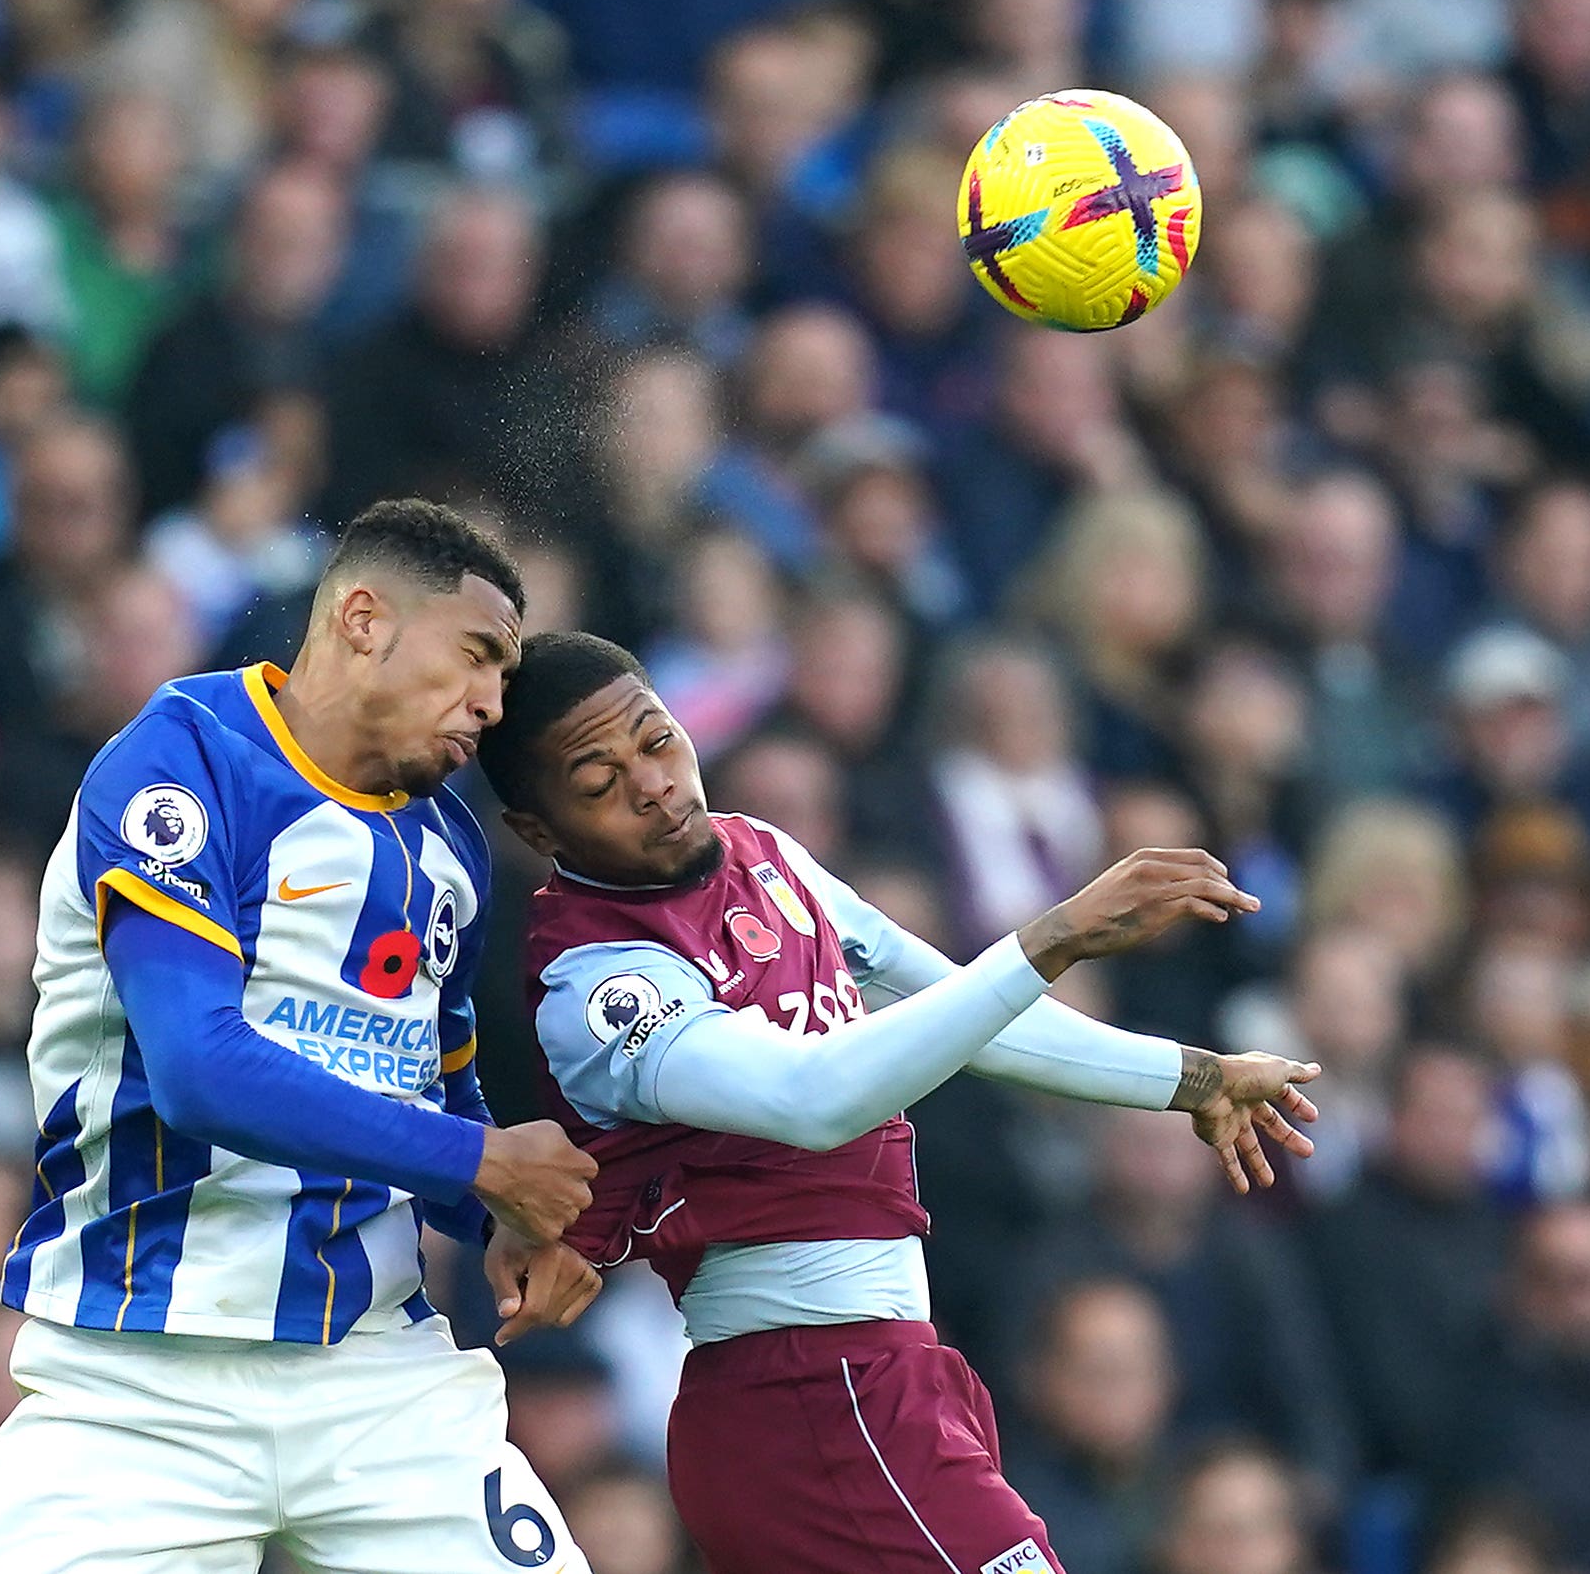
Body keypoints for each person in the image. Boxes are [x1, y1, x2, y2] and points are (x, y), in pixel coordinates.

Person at [472, 630, 1322, 1574]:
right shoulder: (601, 982)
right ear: (539, 833)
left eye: (659, 739)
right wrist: (1057, 935)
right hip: (809, 1393)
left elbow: (961, 1010)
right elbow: (812, 1098)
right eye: (598, 782)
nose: (654, 784)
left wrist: (1190, 1078)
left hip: (868, 1373)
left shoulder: (764, 855)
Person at [0, 499, 602, 1573]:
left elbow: (436, 1092)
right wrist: (486, 1164)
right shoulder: (183, 763)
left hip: (375, 1379)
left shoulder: (449, 841)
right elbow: (199, 1070)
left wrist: (497, 1209)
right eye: (477, 656)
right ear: (362, 617)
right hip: (140, 1382)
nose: (493, 702)